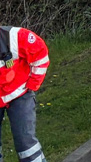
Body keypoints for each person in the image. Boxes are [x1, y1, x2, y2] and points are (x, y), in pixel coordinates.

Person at [0, 24, 50, 162]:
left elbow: (40, 54)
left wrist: (33, 84)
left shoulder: (14, 37)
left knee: (26, 144)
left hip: (20, 93)